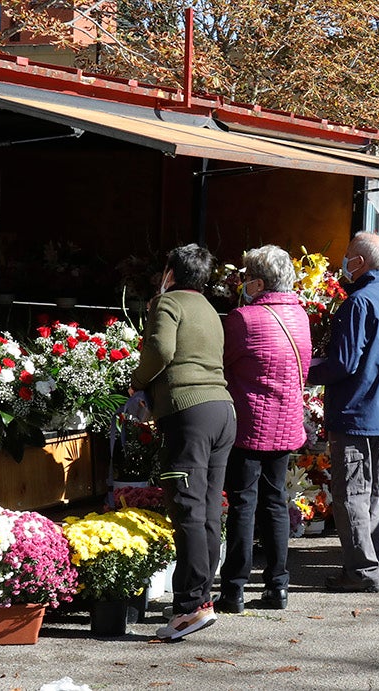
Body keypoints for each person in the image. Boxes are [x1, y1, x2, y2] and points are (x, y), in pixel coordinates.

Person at [133, 244, 236, 639]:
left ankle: (190, 608)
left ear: (171, 273)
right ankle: (203, 600)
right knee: (208, 508)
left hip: (188, 412)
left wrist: (138, 382)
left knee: (187, 507)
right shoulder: (210, 309)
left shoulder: (168, 302)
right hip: (222, 412)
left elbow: (161, 349)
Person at [308, 232, 379, 592]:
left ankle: (362, 571)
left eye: (349, 255)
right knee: (370, 494)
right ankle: (371, 562)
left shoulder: (359, 303)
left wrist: (305, 371)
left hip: (358, 411)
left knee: (351, 493)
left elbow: (344, 362)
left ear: (361, 262)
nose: (344, 261)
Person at [218, 245, 311, 614]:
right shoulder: (301, 318)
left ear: (257, 282)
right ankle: (278, 585)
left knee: (242, 502)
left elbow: (223, 363)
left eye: (245, 277)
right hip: (286, 423)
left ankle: (234, 589)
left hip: (249, 422)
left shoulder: (244, 318)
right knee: (275, 502)